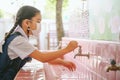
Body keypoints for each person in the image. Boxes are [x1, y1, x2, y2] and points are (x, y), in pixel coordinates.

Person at [0, 5, 78, 79]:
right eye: (38, 21)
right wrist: (67, 49)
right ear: (27, 23)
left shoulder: (19, 38)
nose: (39, 25)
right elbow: (42, 57)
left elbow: (39, 55)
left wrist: (62, 62)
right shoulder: (18, 40)